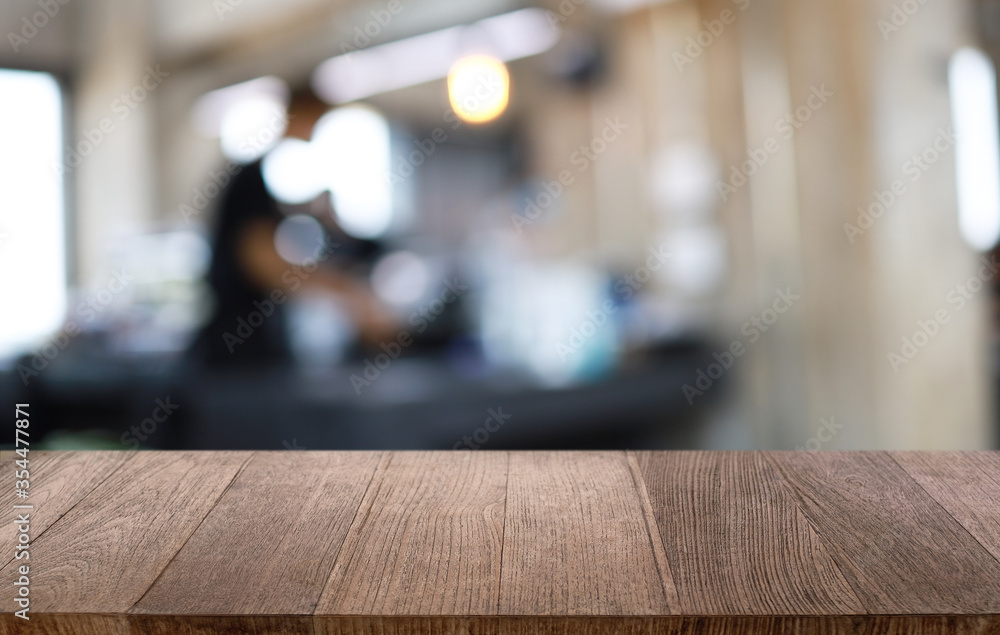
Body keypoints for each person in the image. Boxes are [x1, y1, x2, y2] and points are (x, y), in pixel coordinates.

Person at [188, 86, 395, 369]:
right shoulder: (250, 179)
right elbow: (263, 264)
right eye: (317, 121)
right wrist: (349, 294)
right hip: (236, 351)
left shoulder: (263, 182)